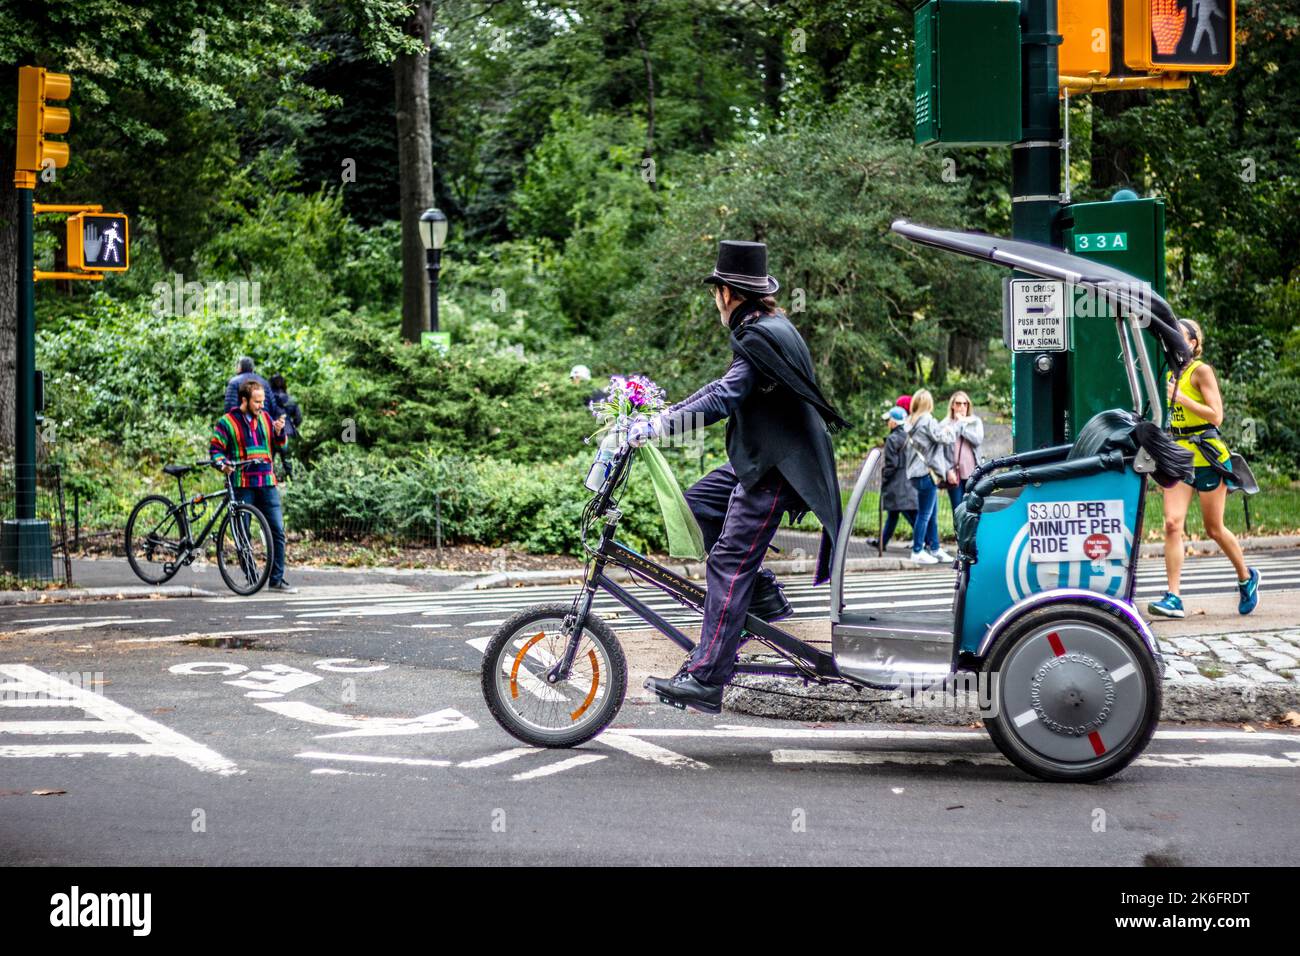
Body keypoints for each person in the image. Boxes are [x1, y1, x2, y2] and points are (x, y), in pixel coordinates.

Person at [631, 239, 847, 714]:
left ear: (727, 293)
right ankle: (764, 595)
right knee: (697, 505)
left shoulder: (760, 337)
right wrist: (662, 417)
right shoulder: (764, 328)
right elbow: (720, 389)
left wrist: (659, 425)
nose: (715, 301)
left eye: (715, 293)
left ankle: (706, 677)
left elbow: (723, 397)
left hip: (779, 468)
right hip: (763, 457)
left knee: (728, 561)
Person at [1149, 319, 1260, 618]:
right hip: (1179, 456)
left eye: (1181, 337)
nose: (1175, 341)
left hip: (1208, 456)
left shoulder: (1201, 371)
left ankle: (1246, 578)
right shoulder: (1170, 373)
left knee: (1214, 528)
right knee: (1172, 524)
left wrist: (1182, 397)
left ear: (1194, 343)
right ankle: (1173, 597)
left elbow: (1217, 416)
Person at [210, 380, 296, 594]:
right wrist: (223, 465)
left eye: (263, 401)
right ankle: (252, 578)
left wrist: (279, 432)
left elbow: (281, 445)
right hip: (242, 484)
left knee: (277, 530)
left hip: (267, 482)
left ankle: (276, 580)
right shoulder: (227, 422)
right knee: (243, 533)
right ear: (244, 400)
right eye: (257, 402)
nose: (261, 406)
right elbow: (215, 450)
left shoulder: (266, 418)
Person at [903, 388, 955, 565]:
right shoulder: (927, 420)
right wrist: (949, 429)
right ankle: (917, 550)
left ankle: (935, 548)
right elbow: (943, 438)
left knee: (931, 513)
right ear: (929, 403)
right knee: (925, 514)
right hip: (927, 472)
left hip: (915, 473)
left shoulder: (910, 421)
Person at [873, 406, 916, 550]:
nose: (887, 423)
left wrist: (884, 478)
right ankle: (882, 542)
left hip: (897, 484)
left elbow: (891, 464)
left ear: (894, 422)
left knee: (911, 517)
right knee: (894, 514)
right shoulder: (910, 436)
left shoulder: (892, 439)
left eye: (888, 420)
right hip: (909, 482)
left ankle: (927, 543)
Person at [943, 390, 984, 512]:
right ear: (952, 405)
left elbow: (977, 440)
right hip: (954, 475)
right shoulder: (945, 424)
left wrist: (963, 426)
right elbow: (941, 452)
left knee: (974, 510)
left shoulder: (975, 421)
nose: (962, 407)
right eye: (958, 403)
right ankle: (959, 532)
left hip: (973, 474)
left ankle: (974, 532)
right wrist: (947, 471)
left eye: (965, 404)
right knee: (958, 510)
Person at [268, 374, 302, 480]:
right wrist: (292, 426)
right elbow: (298, 418)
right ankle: (292, 482)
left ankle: (270, 481)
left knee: (269, 461)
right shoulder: (290, 399)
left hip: (272, 432)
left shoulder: (267, 399)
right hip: (288, 432)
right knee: (288, 461)